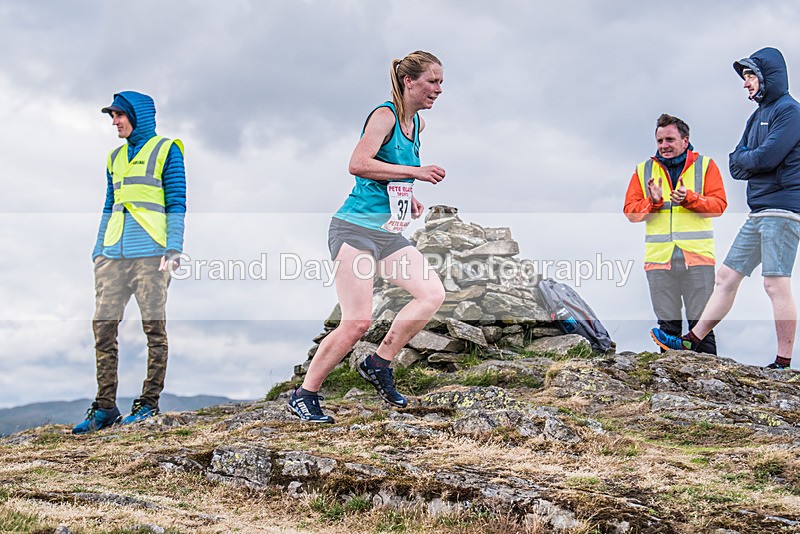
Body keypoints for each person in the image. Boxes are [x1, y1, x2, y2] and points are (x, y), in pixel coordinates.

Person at [287, 51, 446, 423]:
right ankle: (304, 394)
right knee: (356, 321)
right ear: (409, 81)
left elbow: (385, 174)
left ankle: (378, 361)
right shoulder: (385, 114)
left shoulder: (416, 124)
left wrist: (408, 195)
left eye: (440, 82)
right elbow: (358, 164)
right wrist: (416, 172)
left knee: (431, 294)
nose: (439, 89)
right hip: (354, 229)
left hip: (387, 232)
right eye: (432, 81)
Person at [651, 47, 800, 370]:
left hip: (783, 210)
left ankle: (782, 362)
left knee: (775, 283)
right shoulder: (756, 116)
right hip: (759, 211)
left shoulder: (790, 112)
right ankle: (693, 339)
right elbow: (736, 162)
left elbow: (764, 158)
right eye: (745, 77)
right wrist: (754, 160)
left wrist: (755, 161)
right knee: (726, 277)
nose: (746, 84)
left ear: (767, 77)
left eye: (750, 76)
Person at [73, 91, 186, 434]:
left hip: (152, 255)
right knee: (103, 328)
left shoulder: (168, 150)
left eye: (119, 115)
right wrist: (98, 249)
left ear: (137, 115)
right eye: (112, 116)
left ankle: (148, 403)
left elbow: (177, 202)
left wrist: (174, 248)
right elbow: (109, 205)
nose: (114, 122)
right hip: (112, 256)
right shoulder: (113, 158)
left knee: (154, 329)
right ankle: (105, 407)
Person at [625, 114, 727, 355]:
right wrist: (654, 202)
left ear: (685, 140)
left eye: (669, 139)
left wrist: (690, 198)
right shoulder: (644, 170)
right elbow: (630, 212)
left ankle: (711, 385)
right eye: (659, 141)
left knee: (701, 325)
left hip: (698, 258)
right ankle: (671, 386)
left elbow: (719, 205)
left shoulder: (706, 165)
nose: (664, 146)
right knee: (667, 327)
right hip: (659, 259)